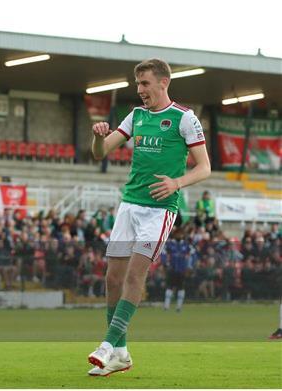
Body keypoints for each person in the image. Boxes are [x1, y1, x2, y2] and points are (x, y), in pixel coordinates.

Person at [88, 58, 211, 377]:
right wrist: (99, 136)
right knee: (112, 279)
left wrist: (177, 182)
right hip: (129, 205)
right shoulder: (136, 116)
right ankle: (122, 354)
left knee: (133, 276)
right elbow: (100, 153)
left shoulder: (184, 118)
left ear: (163, 83)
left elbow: (204, 167)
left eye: (144, 83)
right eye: (137, 84)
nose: (139, 89)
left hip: (159, 210)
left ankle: (107, 345)